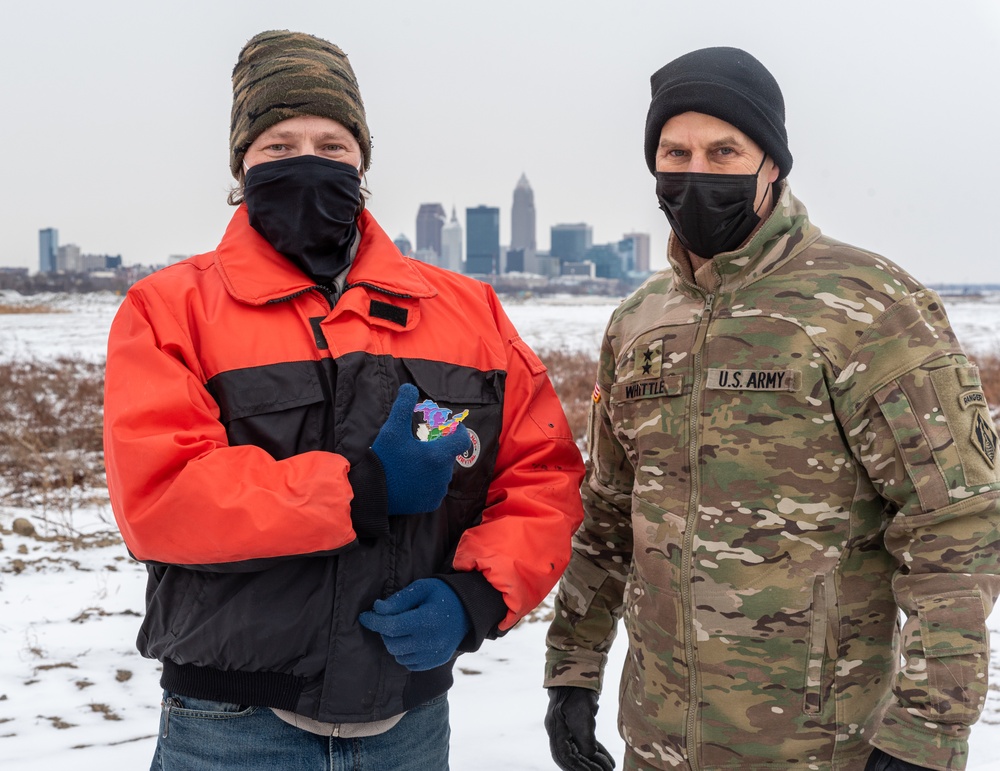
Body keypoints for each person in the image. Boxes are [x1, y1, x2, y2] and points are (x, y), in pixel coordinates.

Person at [103, 29, 585, 770]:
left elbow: (542, 477)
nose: (307, 161)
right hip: (231, 727)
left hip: (409, 725)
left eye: (331, 145)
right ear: (241, 165)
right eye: (278, 145)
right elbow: (161, 497)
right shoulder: (171, 309)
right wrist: (362, 487)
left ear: (362, 160)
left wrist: (477, 596)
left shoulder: (467, 310)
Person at [543, 46, 1000, 771]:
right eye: (676, 151)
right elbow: (608, 515)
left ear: (773, 165)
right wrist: (571, 668)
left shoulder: (867, 306)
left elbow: (955, 525)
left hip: (822, 746)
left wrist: (927, 729)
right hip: (659, 743)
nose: (696, 172)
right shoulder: (639, 321)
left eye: (724, 151)